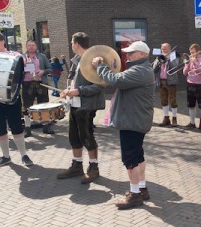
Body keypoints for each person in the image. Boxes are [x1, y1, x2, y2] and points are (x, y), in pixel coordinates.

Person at [92, 41, 155, 209]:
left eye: (131, 52)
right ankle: (142, 189)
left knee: (130, 159)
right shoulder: (142, 69)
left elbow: (115, 80)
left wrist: (100, 66)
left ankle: (135, 195)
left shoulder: (140, 70)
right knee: (138, 155)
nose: (127, 55)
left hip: (132, 121)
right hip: (135, 119)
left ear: (142, 54)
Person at [58, 32, 105, 184]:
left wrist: (78, 91)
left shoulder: (93, 60)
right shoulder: (77, 60)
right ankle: (77, 165)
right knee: (73, 136)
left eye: (72, 43)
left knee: (87, 136)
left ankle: (94, 167)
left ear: (76, 44)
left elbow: (99, 86)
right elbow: (74, 82)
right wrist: (68, 91)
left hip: (86, 105)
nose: (72, 45)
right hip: (75, 103)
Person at [0, 32, 34, 167]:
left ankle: (24, 155)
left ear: (2, 41)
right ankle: (6, 156)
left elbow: (24, 62)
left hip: (12, 98)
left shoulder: (14, 55)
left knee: (16, 127)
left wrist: (23, 59)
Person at [22, 40, 54, 137]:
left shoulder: (42, 56)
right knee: (27, 107)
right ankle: (27, 128)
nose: (31, 47)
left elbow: (50, 69)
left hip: (41, 84)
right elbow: (17, 71)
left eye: (33, 45)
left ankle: (45, 126)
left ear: (36, 46)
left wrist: (43, 71)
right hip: (27, 85)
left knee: (43, 106)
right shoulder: (21, 57)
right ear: (26, 46)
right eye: (29, 45)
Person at [154, 43, 179, 127]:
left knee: (173, 100)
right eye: (162, 49)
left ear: (169, 49)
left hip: (171, 81)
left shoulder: (173, 55)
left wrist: (168, 59)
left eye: (165, 49)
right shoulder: (159, 57)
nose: (163, 51)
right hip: (161, 81)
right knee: (163, 100)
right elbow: (154, 69)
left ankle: (174, 118)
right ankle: (166, 117)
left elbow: (175, 66)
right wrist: (159, 61)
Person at [182, 43, 201, 128]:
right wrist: (188, 64)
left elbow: (199, 73)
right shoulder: (189, 60)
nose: (191, 54)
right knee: (190, 104)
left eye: (193, 52)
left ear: (198, 52)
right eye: (190, 52)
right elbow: (184, 73)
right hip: (190, 84)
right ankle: (192, 122)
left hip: (199, 85)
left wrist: (195, 63)